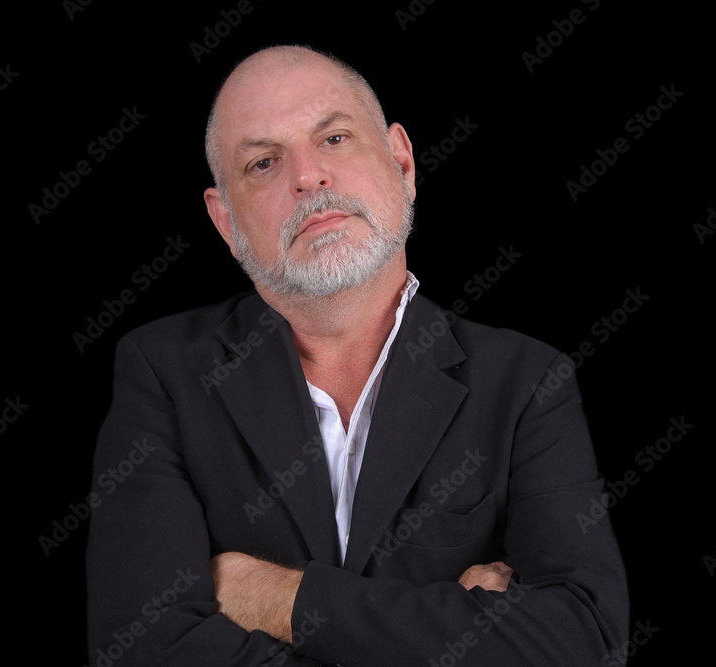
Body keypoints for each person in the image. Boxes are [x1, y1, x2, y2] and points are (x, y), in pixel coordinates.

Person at [86, 44, 628, 666]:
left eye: (335, 139)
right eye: (263, 162)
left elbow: (584, 639)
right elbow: (143, 652)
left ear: (402, 162)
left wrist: (278, 598)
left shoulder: (528, 382)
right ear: (227, 222)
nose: (308, 177)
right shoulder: (162, 372)